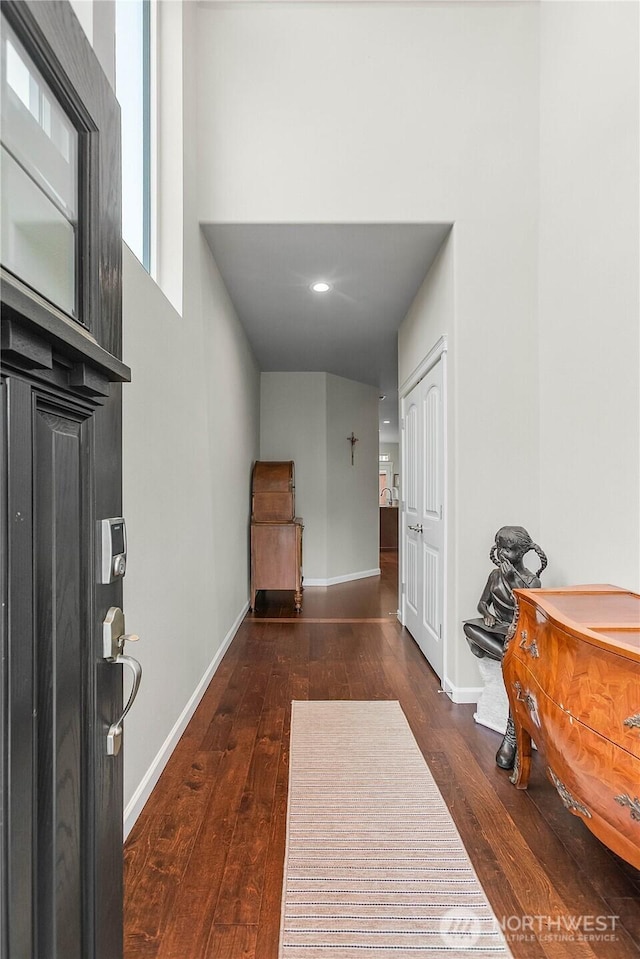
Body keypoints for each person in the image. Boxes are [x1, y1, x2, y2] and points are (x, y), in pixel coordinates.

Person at [463, 526, 547, 768]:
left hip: (519, 633)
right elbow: (482, 603)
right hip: (498, 631)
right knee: (470, 628)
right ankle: (507, 658)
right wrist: (486, 615)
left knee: (516, 668)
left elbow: (527, 615)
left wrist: (512, 581)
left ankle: (512, 735)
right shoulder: (493, 575)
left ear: (521, 553)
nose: (502, 554)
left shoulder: (532, 581)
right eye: (500, 548)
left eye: (508, 550)